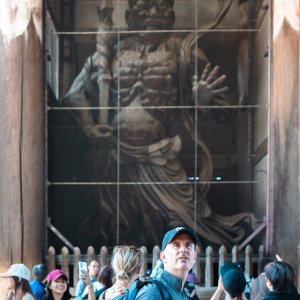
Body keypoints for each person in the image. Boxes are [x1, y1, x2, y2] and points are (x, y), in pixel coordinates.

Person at [63, 0, 256, 249]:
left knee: (180, 219)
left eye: (161, 8)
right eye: (145, 8)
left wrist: (204, 101)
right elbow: (73, 95)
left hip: (159, 154)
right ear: (131, 16)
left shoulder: (185, 51)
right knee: (116, 224)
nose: (154, 14)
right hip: (112, 152)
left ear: (172, 15)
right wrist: (89, 126)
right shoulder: (110, 53)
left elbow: (228, 112)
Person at [136, 226, 197, 299]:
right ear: (163, 256)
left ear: (194, 257)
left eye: (188, 245)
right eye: (176, 245)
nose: (183, 250)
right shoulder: (152, 292)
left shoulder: (183, 294)